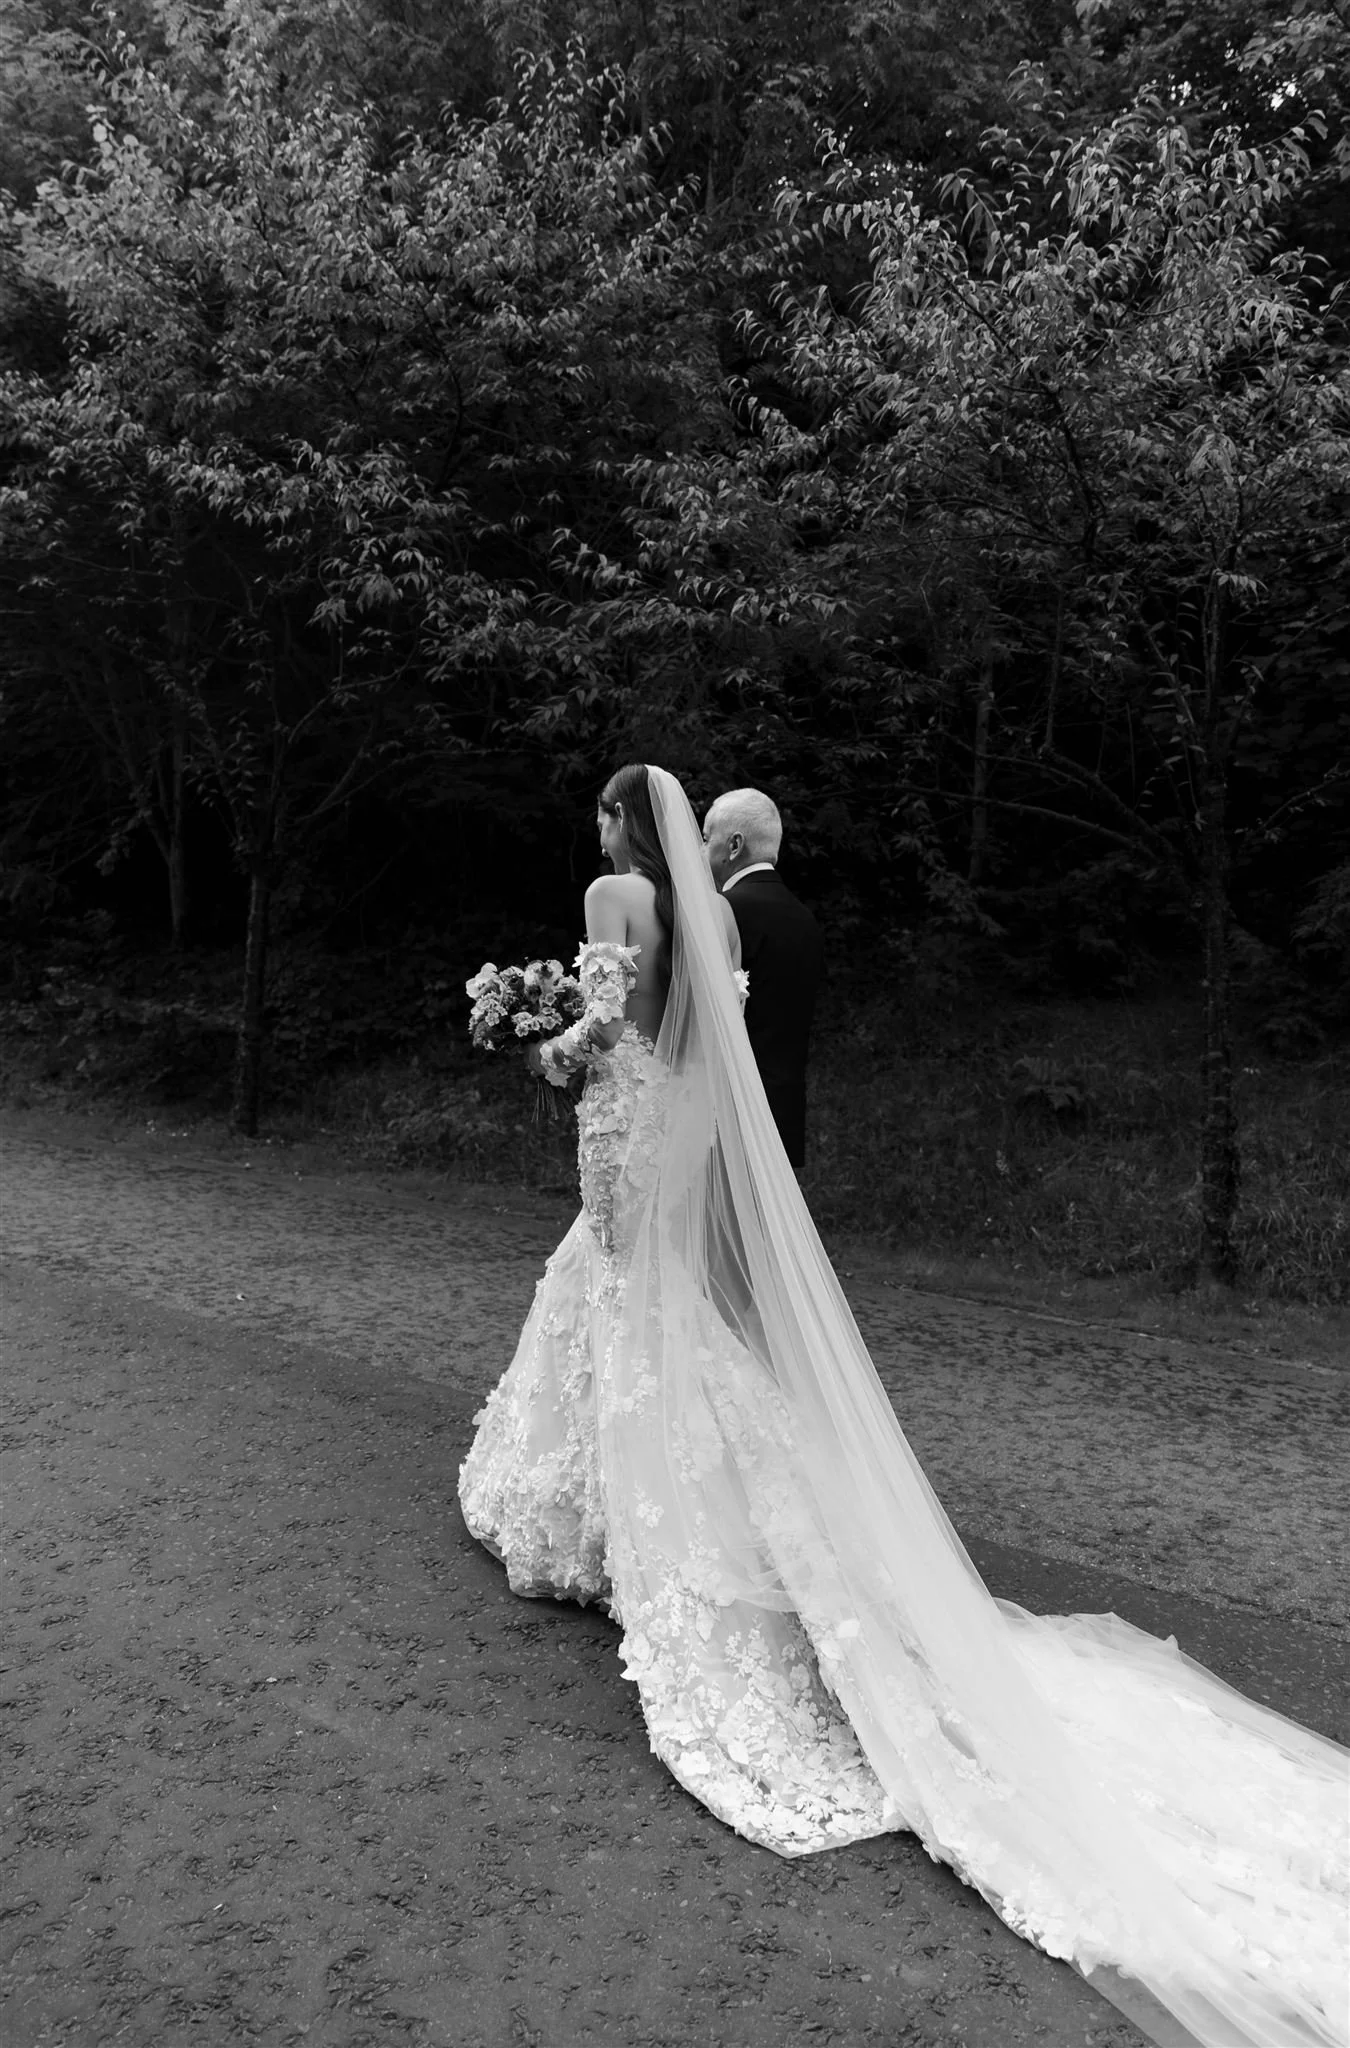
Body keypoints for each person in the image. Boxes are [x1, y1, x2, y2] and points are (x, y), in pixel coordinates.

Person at [459, 763, 1347, 2048]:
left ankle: (602, 1524)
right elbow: (697, 1031)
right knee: (660, 1329)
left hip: (622, 1128)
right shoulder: (704, 908)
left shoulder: (614, 896)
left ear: (618, 824)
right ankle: (637, 1516)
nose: (594, 832)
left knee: (619, 1306)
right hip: (678, 1130)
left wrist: (536, 1046)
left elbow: (600, 1031)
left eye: (600, 814)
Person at [701, 788, 824, 1168]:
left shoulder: (722, 911)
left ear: (734, 845)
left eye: (706, 838)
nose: (700, 851)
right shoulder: (805, 918)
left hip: (724, 1111)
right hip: (783, 1111)